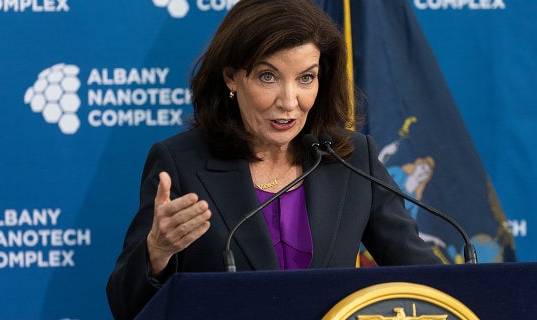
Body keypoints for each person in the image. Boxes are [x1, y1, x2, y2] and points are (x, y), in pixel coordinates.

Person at [106, 0, 442, 318]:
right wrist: (157, 252)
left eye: (305, 78)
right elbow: (126, 307)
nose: (289, 101)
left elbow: (427, 280)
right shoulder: (181, 163)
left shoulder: (351, 159)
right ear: (231, 78)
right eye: (268, 77)